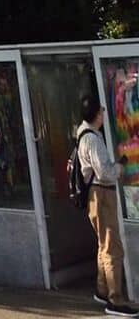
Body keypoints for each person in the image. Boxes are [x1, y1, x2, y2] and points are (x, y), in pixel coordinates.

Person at [78, 95, 138, 316]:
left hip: (97, 195)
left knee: (104, 244)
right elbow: (104, 173)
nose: (104, 114)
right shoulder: (92, 139)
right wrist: (120, 166)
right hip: (101, 194)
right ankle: (115, 300)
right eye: (102, 110)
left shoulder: (84, 133)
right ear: (97, 115)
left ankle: (103, 289)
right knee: (112, 247)